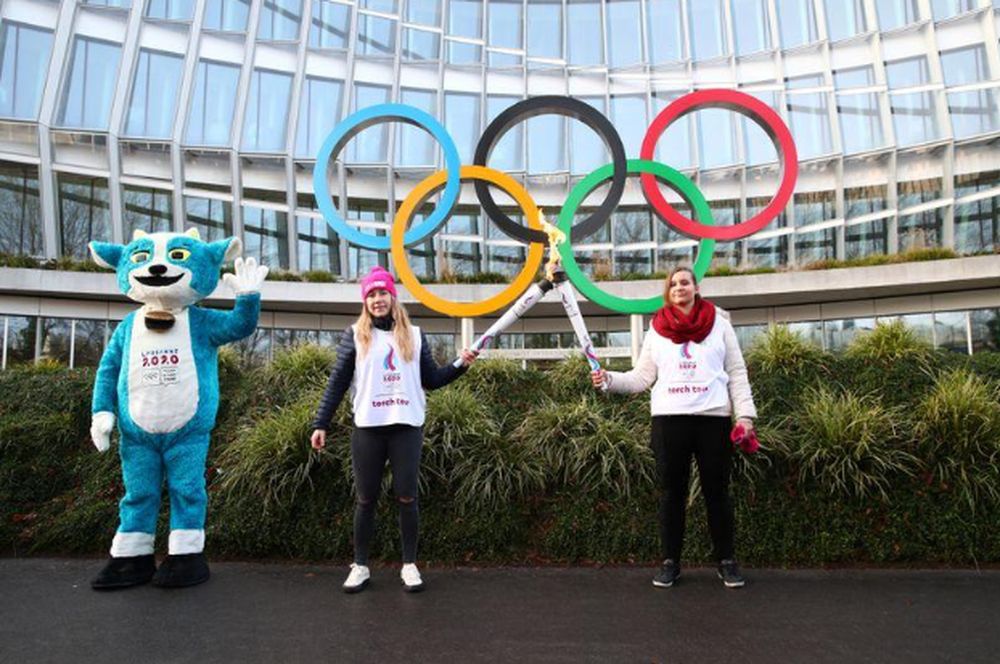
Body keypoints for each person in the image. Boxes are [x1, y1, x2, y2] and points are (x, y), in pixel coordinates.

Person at [310, 266, 478, 593]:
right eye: (371, 294)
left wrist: (460, 365)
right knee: (365, 499)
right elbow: (337, 384)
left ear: (392, 296)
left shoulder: (414, 335)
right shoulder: (354, 335)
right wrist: (321, 423)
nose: (377, 299)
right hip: (369, 430)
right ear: (365, 301)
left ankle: (410, 565)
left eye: (382, 293)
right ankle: (360, 566)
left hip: (406, 428)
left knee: (407, 496)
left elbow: (431, 379)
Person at [591, 266, 756, 589]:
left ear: (696, 288)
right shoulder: (656, 329)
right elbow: (641, 378)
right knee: (671, 494)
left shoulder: (720, 325)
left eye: (685, 282)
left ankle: (726, 562)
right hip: (669, 420)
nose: (679, 287)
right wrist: (608, 379)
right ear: (668, 292)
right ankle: (670, 562)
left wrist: (745, 416)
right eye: (673, 284)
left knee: (717, 494)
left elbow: (737, 372)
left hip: (713, 420)